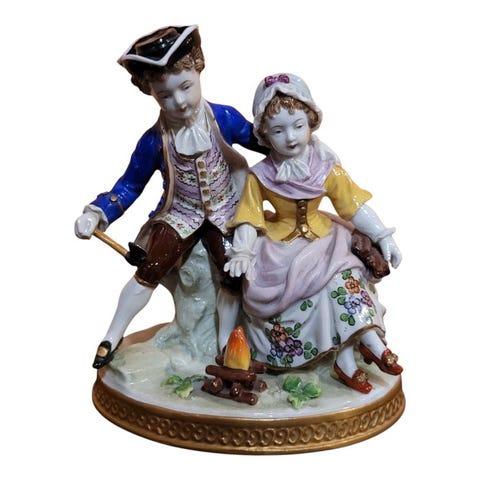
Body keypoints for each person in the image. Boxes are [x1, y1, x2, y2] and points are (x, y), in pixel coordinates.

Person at [75, 25, 266, 369]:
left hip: (226, 210)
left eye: (186, 87)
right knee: (149, 268)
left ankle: (225, 343)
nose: (179, 101)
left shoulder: (223, 118)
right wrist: (97, 213)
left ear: (198, 70)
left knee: (232, 273)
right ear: (151, 93)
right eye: (165, 95)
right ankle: (112, 335)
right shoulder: (153, 140)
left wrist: (293, 139)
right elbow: (129, 185)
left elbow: (262, 141)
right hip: (180, 213)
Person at [224, 73, 403, 394]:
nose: (291, 137)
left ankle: (369, 341)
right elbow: (249, 217)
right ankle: (343, 358)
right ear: (264, 134)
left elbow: (353, 206)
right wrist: (243, 251)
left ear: (311, 122)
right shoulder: (260, 175)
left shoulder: (326, 168)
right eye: (278, 130)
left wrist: (383, 235)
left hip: (325, 242)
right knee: (300, 292)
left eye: (297, 126)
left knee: (344, 279)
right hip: (277, 250)